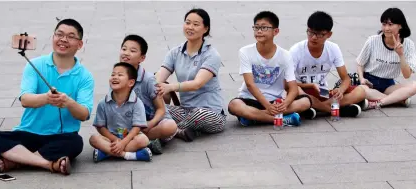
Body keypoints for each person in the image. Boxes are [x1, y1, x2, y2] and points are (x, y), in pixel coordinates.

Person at [0, 19, 94, 175]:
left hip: (61, 137)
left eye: (70, 36)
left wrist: (68, 102)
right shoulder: (35, 64)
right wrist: (46, 98)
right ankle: (48, 164)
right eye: (59, 34)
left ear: (80, 44)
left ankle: (17, 161)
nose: (63, 39)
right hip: (28, 133)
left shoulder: (85, 76)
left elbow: (84, 114)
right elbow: (25, 100)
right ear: (53, 37)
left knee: (76, 143)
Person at [227, 11, 311, 127]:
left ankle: (254, 117)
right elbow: (250, 84)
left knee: (305, 102)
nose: (259, 31)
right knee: (234, 105)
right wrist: (268, 106)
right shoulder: (245, 51)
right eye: (256, 28)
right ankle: (281, 120)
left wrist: (285, 104)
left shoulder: (285, 55)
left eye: (264, 28)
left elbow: (293, 87)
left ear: (275, 31)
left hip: (275, 101)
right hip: (250, 99)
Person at [155, 8, 226, 142]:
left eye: (196, 24)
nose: (190, 27)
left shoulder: (211, 55)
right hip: (185, 111)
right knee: (158, 109)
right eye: (187, 23)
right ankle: (181, 131)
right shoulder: (175, 52)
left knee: (199, 114)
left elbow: (197, 84)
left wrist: (170, 88)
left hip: (210, 113)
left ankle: (170, 131)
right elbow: (159, 78)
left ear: (205, 29)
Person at [289, 11, 367, 118]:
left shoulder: (333, 48)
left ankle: (318, 108)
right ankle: (334, 110)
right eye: (310, 32)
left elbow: (346, 79)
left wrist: (340, 90)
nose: (313, 37)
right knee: (299, 93)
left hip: (322, 92)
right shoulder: (296, 50)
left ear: (329, 34)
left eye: (319, 34)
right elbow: (287, 83)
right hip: (302, 91)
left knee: (361, 91)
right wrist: (310, 85)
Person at [118, 34, 178, 154]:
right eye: (124, 49)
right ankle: (145, 143)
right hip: (133, 124)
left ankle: (137, 142)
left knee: (170, 127)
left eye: (132, 50)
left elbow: (161, 109)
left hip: (152, 123)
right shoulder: (117, 76)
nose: (126, 53)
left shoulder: (149, 80)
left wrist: (150, 123)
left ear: (142, 58)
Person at [356, 7, 416, 110]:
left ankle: (379, 102)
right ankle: (397, 99)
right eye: (384, 24)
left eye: (390, 25)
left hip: (388, 85)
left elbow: (407, 75)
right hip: (369, 83)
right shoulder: (372, 41)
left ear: (400, 26)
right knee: (361, 90)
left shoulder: (409, 45)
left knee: (415, 85)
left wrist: (401, 55)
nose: (386, 28)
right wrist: (361, 78)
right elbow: (360, 63)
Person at [89, 62, 153, 162]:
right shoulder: (103, 103)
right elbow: (100, 127)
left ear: (130, 83)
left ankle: (106, 153)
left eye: (120, 75)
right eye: (113, 74)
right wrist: (116, 141)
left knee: (143, 140)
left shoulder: (137, 102)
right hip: (110, 138)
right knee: (93, 139)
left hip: (130, 139)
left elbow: (137, 128)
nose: (115, 77)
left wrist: (123, 143)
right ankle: (131, 155)